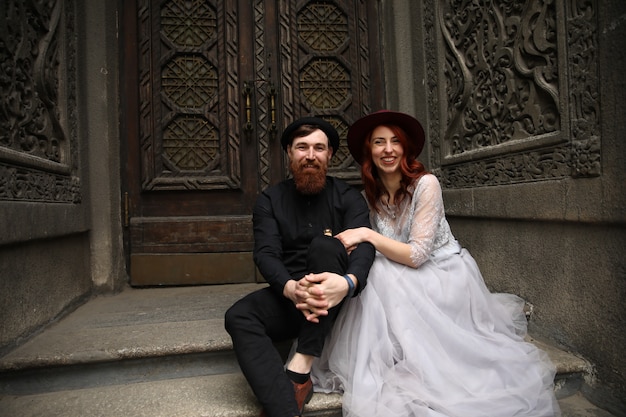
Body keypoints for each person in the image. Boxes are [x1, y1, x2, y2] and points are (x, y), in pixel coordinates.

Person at [310, 110, 561, 417]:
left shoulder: (426, 184)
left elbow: (416, 256)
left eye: (395, 142)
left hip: (442, 274)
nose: (388, 149)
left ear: (406, 149)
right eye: (379, 142)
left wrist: (366, 235)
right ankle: (386, 359)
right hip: (398, 277)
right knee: (374, 271)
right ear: (369, 151)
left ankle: (411, 361)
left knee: (379, 272)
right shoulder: (367, 197)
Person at [224, 117, 376, 417]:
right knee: (239, 316)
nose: (310, 155)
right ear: (289, 154)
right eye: (302, 147)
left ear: (330, 155)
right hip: (294, 296)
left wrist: (347, 282)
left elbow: (365, 249)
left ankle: (300, 366)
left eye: (319, 148)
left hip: (339, 302)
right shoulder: (269, 200)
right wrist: (291, 289)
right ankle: (285, 408)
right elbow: (266, 254)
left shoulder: (348, 198)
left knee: (324, 245)